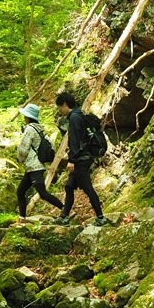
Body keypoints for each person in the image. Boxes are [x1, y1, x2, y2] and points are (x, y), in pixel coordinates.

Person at [54, 92, 107, 226]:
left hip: (80, 159)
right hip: (84, 156)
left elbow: (75, 141)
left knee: (88, 188)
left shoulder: (74, 118)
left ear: (65, 105)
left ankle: (101, 217)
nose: (59, 111)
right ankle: (64, 216)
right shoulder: (80, 114)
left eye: (60, 107)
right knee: (69, 186)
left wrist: (72, 160)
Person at [16, 103, 64, 219]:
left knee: (42, 193)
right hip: (33, 167)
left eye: (25, 116)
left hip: (34, 167)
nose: (24, 118)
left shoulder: (29, 129)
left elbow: (23, 149)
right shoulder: (40, 130)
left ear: (28, 117)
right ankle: (22, 219)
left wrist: (20, 159)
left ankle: (64, 209)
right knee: (20, 191)